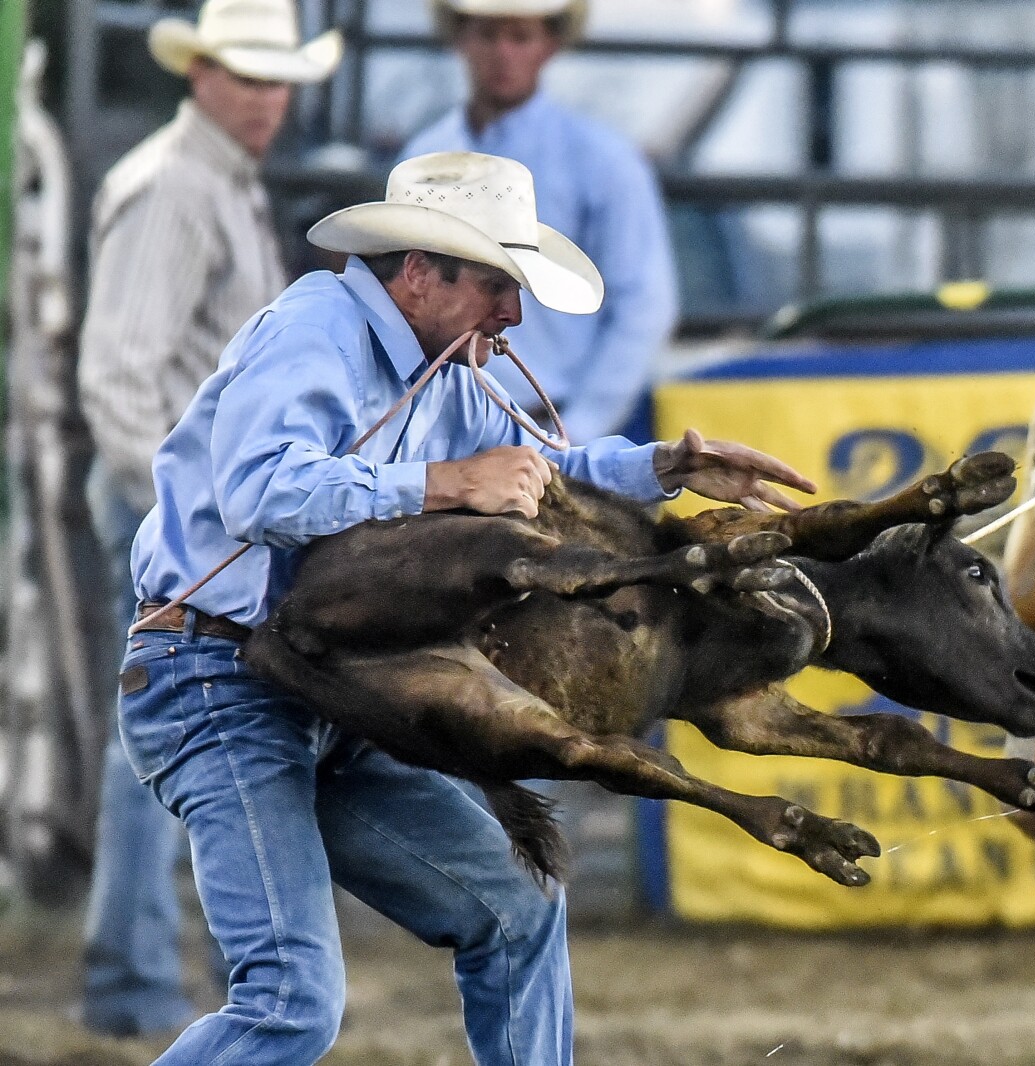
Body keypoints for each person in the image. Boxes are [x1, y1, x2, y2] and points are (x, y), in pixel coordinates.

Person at [117, 149, 812, 1065]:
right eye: (495, 284)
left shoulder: (442, 373)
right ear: (418, 272)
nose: (513, 312)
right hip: (214, 677)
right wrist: (445, 483)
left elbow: (540, 473)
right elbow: (259, 492)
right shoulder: (313, 332)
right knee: (291, 999)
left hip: (332, 684)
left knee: (519, 912)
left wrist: (665, 468)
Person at [74, 0, 341, 1037]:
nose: (267, 99)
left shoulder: (209, 178)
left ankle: (146, 977)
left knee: (172, 735)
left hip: (193, 515)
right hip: (180, 520)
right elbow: (118, 380)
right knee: (167, 734)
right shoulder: (180, 188)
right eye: (248, 76)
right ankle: (133, 980)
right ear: (201, 73)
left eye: (279, 80)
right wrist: (182, 533)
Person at [403, 0, 678, 441]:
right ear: (462, 38)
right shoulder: (423, 155)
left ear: (550, 44)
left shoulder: (602, 160)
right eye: (488, 34)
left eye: (520, 37)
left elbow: (643, 305)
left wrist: (579, 429)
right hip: (441, 424)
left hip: (548, 416)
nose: (503, 53)